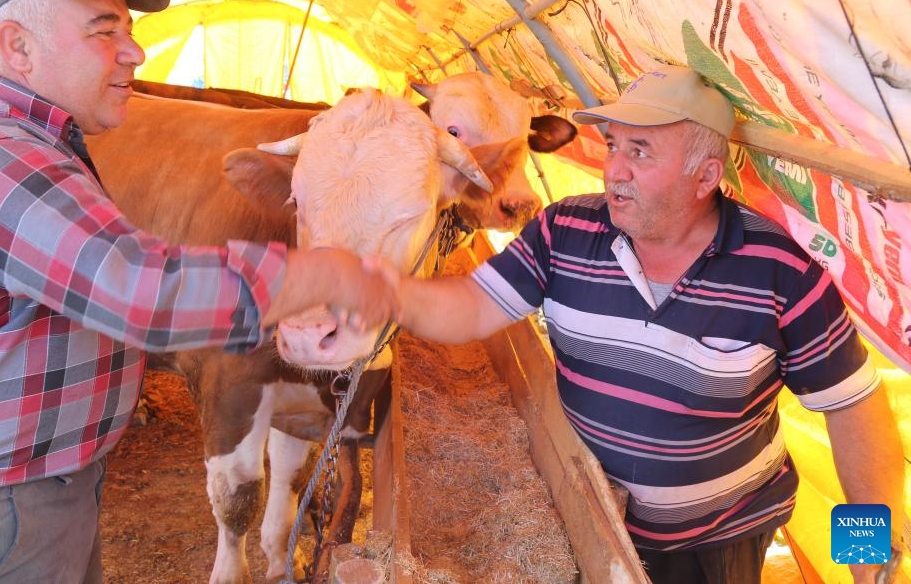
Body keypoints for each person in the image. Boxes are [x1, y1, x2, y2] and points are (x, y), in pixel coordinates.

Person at [0, 0, 395, 584]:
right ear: (17, 45)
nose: (136, 51)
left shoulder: (30, 142)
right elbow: (142, 292)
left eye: (128, 29)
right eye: (105, 30)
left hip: (24, 487)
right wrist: (325, 273)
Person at [387, 64, 905, 583]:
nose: (613, 169)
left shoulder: (779, 272)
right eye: (612, 146)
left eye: (640, 152)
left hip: (720, 537)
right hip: (590, 512)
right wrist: (379, 294)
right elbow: (473, 305)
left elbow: (853, 406)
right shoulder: (565, 231)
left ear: (705, 176)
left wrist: (868, 558)